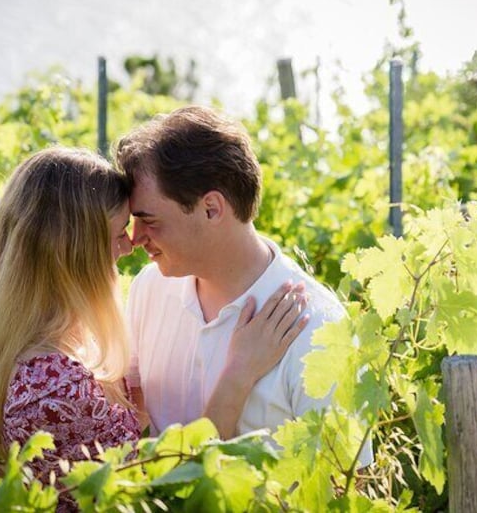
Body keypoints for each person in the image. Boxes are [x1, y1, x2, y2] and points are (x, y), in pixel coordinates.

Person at [0, 146, 309, 508]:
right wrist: (239, 372)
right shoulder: (54, 388)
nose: (130, 246)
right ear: (73, 251)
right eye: (117, 233)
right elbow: (165, 496)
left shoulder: (56, 349)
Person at [115, 106, 372, 464]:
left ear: (211, 209)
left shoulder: (318, 327)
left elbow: (345, 485)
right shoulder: (149, 289)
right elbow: (134, 431)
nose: (136, 238)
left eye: (150, 221)